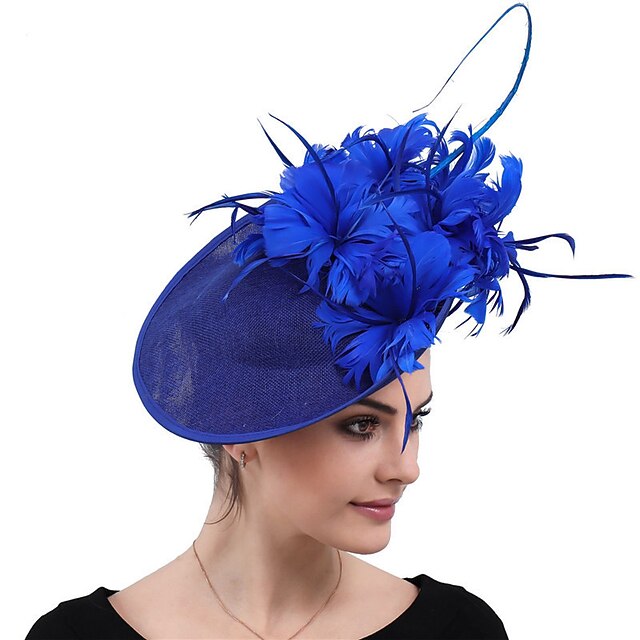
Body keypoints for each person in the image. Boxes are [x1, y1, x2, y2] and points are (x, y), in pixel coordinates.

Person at [25, 5, 627, 639]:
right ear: (239, 426)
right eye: (362, 424)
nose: (407, 468)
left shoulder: (458, 630)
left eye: (415, 420)